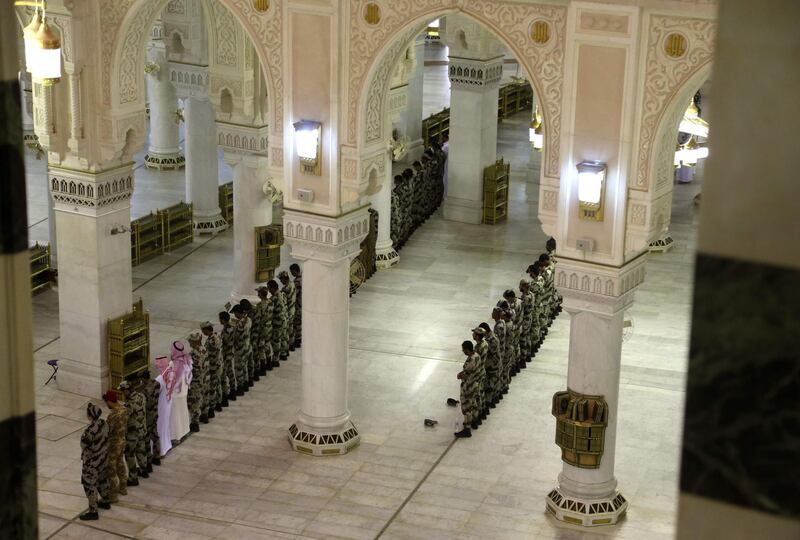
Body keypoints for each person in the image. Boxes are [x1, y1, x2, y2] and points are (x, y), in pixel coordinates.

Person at [79, 402, 111, 520]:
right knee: (103, 479)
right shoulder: (105, 424)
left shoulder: (90, 431)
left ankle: (93, 511)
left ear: (90, 416)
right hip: (104, 459)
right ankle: (106, 500)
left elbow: (83, 444)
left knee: (89, 484)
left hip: (92, 463)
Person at [119, 380, 147, 485]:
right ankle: (144, 470)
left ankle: (133, 477)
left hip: (132, 434)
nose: (122, 394)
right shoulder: (141, 396)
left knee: (129, 454)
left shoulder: (129, 404)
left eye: (122, 391)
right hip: (142, 429)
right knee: (141, 450)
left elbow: (124, 418)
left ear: (126, 391)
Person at [102, 390, 127, 504]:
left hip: (113, 444)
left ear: (109, 401)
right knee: (120, 464)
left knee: (111, 469)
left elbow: (107, 431)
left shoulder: (112, 415)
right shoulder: (124, 409)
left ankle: (113, 495)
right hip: (122, 441)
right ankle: (123, 488)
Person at [455, 341, 480, 438]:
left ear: (467, 349)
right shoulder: (476, 355)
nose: (463, 351)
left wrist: (460, 375)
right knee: (473, 404)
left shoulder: (471, 361)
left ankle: (467, 429)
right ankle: (474, 421)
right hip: (475, 384)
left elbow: (466, 373)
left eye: (463, 349)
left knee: (466, 407)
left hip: (469, 386)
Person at [169, 341, 192, 442]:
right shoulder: (187, 360)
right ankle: (185, 431)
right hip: (184, 391)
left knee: (175, 415)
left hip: (175, 394)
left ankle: (176, 436)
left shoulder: (173, 364)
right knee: (183, 411)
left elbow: (170, 380)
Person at [138, 370, 161, 471]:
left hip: (148, 416)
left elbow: (146, 404)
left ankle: (148, 461)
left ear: (143, 379)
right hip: (155, 413)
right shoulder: (157, 384)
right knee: (155, 435)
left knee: (146, 438)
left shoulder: (144, 391)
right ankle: (157, 456)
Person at [201, 321, 224, 414]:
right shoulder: (216, 336)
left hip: (214, 366)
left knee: (212, 387)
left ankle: (212, 407)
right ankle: (219, 403)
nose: (203, 332)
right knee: (218, 384)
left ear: (207, 330)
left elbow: (207, 353)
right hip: (219, 364)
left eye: (203, 330)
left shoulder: (211, 340)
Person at [187, 332, 207, 431]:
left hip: (196, 381)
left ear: (195, 341)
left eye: (191, 341)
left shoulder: (193, 353)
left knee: (194, 401)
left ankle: (195, 424)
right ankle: (205, 415)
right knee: (202, 397)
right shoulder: (204, 349)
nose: (190, 343)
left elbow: (190, 368)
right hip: (204, 378)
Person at [479, 322, 501, 408]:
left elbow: (486, 353)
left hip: (491, 364)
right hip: (495, 362)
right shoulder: (493, 335)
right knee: (494, 381)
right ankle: (494, 399)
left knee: (489, 384)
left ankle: (489, 402)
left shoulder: (490, 340)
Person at [154, 358, 173, 457]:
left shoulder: (159, 379)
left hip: (161, 406)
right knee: (165, 426)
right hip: (168, 404)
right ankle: (167, 445)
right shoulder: (170, 374)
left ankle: (161, 449)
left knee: (160, 427)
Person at [267, 279, 289, 361]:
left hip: (277, 322)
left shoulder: (274, 298)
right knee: (283, 337)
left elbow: (269, 311)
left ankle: (275, 359)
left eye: (269, 288)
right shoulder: (282, 294)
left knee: (276, 340)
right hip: (284, 320)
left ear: (272, 288)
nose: (269, 291)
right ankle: (284, 354)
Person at [231, 304, 249, 394]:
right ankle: (246, 384)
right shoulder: (248, 320)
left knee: (238, 368)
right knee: (244, 366)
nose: (234, 315)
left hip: (240, 348)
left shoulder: (239, 324)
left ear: (238, 313)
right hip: (247, 346)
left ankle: (240, 387)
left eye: (235, 313)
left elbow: (236, 336)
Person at [256, 286, 276, 370]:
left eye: (258, 293)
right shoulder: (271, 302)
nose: (257, 294)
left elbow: (259, 317)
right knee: (267, 344)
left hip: (263, 328)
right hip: (269, 326)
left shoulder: (260, 305)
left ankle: (263, 367)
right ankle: (269, 363)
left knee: (261, 347)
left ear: (261, 294)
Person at [471, 327, 488, 423]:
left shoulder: (478, 347)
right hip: (482, 371)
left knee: (477, 396)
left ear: (477, 336)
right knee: (481, 393)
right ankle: (483, 413)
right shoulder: (485, 343)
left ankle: (477, 418)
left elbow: (475, 361)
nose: (473, 335)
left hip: (477, 373)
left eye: (474, 333)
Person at [219, 311, 236, 401]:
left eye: (220, 319)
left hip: (227, 354)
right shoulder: (228, 327)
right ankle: (233, 389)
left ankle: (226, 393)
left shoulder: (228, 330)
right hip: (228, 353)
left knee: (224, 374)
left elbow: (225, 341)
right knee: (230, 372)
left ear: (223, 319)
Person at [491, 306, 508, 398]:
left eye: (493, 313)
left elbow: (496, 340)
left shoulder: (499, 326)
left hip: (499, 351)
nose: (492, 314)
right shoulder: (502, 322)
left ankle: (498, 392)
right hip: (501, 349)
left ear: (497, 314)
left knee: (497, 373)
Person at [239, 299, 256, 385]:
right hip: (249, 342)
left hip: (247, 342)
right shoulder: (251, 313)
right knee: (250, 361)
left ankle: (245, 383)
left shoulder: (248, 318)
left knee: (244, 364)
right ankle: (251, 378)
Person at [279, 271, 297, 351]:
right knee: (291, 328)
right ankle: (292, 344)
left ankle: (286, 348)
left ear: (284, 278)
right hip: (293, 309)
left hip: (288, 311)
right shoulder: (292, 284)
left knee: (286, 330)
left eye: (280, 279)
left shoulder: (285, 288)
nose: (280, 281)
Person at [518, 279, 534, 365]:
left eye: (520, 285)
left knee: (523, 339)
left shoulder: (525, 297)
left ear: (524, 287)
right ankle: (528, 354)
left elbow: (521, 307)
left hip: (525, 320)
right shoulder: (531, 294)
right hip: (529, 318)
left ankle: (523, 359)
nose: (519, 287)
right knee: (527, 336)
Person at [290, 263, 302, 348]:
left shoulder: (297, 282)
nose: (291, 273)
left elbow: (294, 294)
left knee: (297, 323)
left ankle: (298, 340)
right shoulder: (303, 278)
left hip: (298, 305)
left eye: (292, 272)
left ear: (294, 271)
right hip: (303, 304)